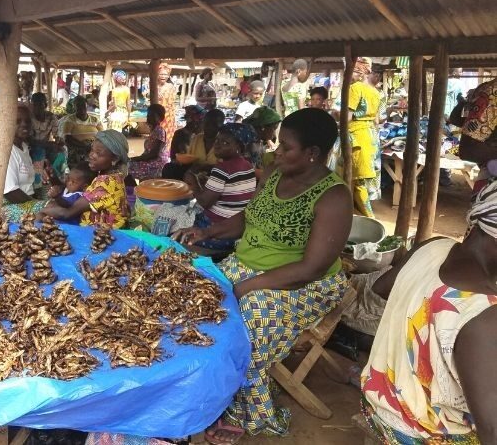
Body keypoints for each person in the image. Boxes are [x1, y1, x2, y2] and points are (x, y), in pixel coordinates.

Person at [173, 108, 352, 440]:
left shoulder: (334, 197)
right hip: (248, 266)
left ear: (312, 153)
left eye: (286, 147)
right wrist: (209, 232)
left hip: (304, 282)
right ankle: (209, 394)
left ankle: (245, 413)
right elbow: (248, 217)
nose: (277, 152)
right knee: (194, 299)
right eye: (278, 144)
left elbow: (310, 268)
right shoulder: (273, 173)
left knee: (247, 329)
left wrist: (249, 285)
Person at [361, 179, 497, 444]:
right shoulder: (483, 313)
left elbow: (381, 287)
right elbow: (491, 431)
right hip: (421, 431)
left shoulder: (433, 247)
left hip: (378, 401)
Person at [185, 123, 257, 251]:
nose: (217, 145)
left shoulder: (222, 169)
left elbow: (204, 202)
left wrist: (194, 182)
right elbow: (230, 192)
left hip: (217, 228)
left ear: (239, 148)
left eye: (225, 143)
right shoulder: (248, 166)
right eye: (217, 140)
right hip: (236, 228)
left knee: (180, 216)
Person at [40, 130, 130, 228]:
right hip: (100, 228)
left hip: (102, 233)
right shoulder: (112, 176)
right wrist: (53, 177)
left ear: (115, 159)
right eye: (92, 150)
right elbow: (72, 191)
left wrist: (42, 211)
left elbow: (67, 213)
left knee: (43, 215)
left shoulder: (106, 182)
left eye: (98, 153)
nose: (91, 155)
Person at [0, 104, 48, 222]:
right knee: (50, 212)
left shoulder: (23, 147)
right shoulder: (5, 151)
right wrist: (37, 204)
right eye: (17, 121)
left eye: (27, 121)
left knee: (55, 202)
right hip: (2, 206)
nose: (24, 124)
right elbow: (10, 192)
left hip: (22, 201)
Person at [451, 76, 497, 194]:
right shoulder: (489, 90)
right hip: (484, 158)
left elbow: (455, 119)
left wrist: (461, 104)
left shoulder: (484, 88)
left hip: (477, 156)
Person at [348, 57, 381, 217]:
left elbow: (346, 117)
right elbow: (377, 120)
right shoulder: (375, 92)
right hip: (371, 137)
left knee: (356, 182)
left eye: (353, 71)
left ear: (361, 71)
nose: (351, 75)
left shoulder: (355, 88)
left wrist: (334, 113)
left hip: (357, 137)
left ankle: (371, 219)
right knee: (361, 181)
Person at [161, 105, 206, 180]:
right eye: (198, 122)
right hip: (184, 166)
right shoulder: (179, 134)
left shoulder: (205, 135)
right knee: (168, 168)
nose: (199, 124)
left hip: (202, 167)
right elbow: (173, 156)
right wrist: (179, 160)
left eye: (201, 122)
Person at [127, 104, 169, 182]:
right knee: (129, 165)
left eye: (152, 116)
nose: (149, 117)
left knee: (127, 166)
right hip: (152, 160)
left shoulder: (159, 131)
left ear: (160, 118)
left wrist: (136, 158)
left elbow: (154, 154)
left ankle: (136, 190)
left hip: (157, 162)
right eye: (148, 115)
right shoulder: (154, 131)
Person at [62, 95, 103, 169]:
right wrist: (83, 145)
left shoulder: (95, 120)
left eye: (83, 105)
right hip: (77, 148)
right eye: (78, 105)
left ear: (86, 105)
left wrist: (93, 146)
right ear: (74, 107)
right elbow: (67, 138)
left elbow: (103, 136)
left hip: (93, 147)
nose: (81, 108)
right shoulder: (70, 120)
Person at [29, 92, 59, 192]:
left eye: (40, 104)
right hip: (30, 147)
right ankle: (38, 186)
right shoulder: (28, 118)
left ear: (45, 105)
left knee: (62, 151)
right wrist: (46, 144)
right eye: (34, 104)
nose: (37, 107)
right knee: (39, 152)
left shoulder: (51, 117)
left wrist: (58, 143)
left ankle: (58, 181)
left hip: (45, 145)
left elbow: (57, 135)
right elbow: (28, 139)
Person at [243, 106, 281, 172]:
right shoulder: (250, 143)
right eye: (274, 128)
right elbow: (246, 169)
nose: (274, 133)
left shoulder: (258, 139)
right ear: (263, 127)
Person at [157, 62, 178, 151]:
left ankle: (166, 154)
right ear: (157, 74)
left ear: (169, 75)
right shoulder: (154, 87)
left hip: (168, 117)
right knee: (158, 136)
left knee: (168, 136)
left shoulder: (171, 87)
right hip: (157, 116)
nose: (163, 76)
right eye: (161, 74)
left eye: (165, 74)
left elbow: (172, 104)